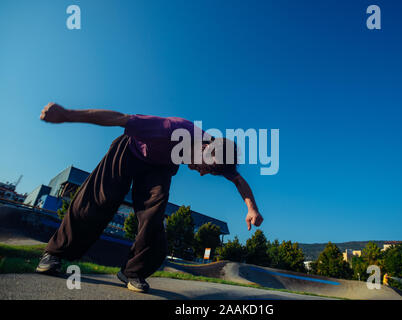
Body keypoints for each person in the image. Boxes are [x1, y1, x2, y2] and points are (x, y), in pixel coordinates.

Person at [35, 102, 263, 293]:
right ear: (203, 148)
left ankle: (132, 272)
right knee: (99, 199)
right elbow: (118, 118)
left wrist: (252, 209)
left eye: (206, 171)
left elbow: (239, 181)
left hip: (159, 167)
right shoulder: (169, 128)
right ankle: (54, 255)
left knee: (154, 215)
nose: (201, 172)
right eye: (203, 167)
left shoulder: (218, 154)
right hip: (130, 151)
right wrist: (67, 115)